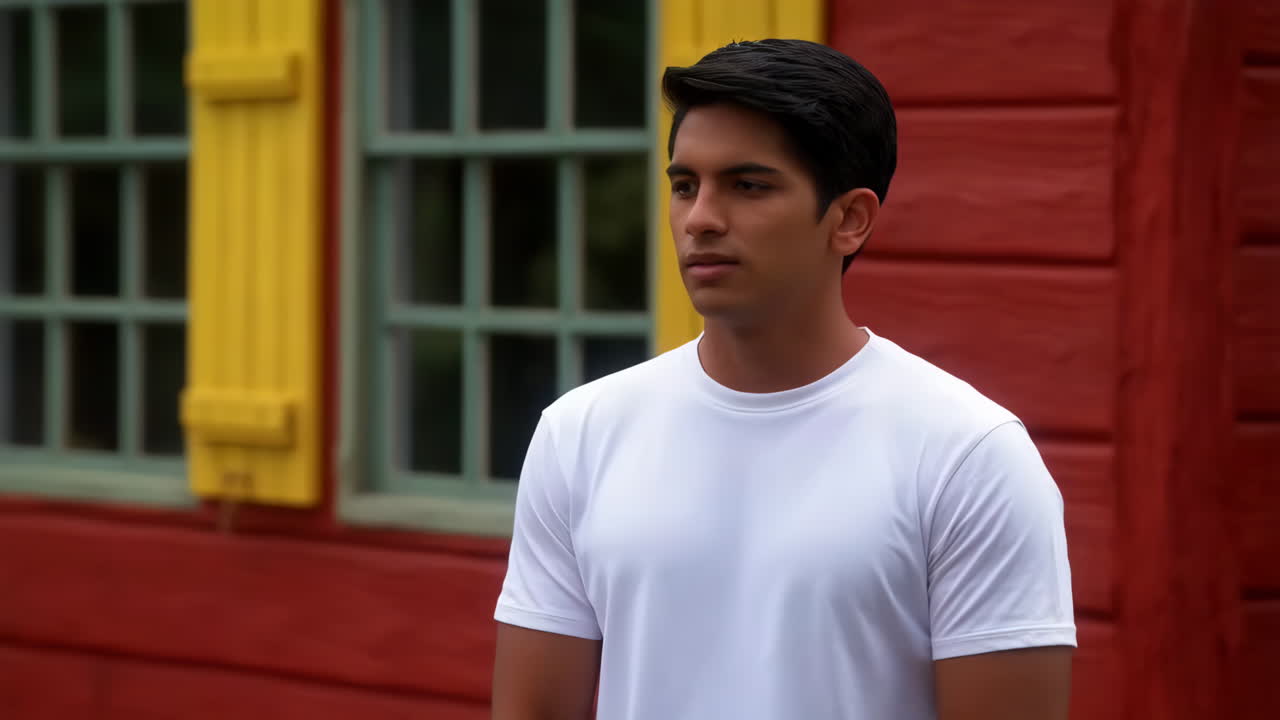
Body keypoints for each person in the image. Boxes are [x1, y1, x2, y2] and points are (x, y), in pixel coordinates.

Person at [491, 39, 1075, 720]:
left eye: (748, 185)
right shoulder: (582, 433)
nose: (700, 219)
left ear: (850, 219)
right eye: (685, 186)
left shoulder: (966, 456)